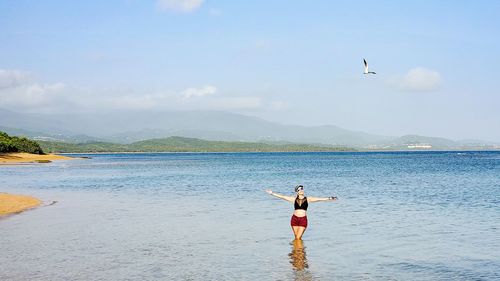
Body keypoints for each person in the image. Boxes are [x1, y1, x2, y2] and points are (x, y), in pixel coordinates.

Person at [265, 185, 337, 240]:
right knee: (296, 237)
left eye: (302, 189)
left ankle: (299, 253)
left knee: (298, 238)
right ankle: (297, 253)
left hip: (303, 220)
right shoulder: (293, 199)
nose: (302, 190)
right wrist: (272, 193)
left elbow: (319, 199)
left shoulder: (308, 199)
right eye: (300, 189)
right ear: (297, 191)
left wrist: (329, 198)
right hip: (294, 219)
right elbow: (283, 197)